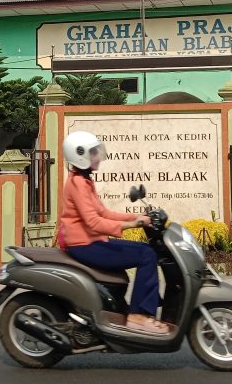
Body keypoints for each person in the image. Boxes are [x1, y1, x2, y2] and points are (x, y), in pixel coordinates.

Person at [57, 131, 168, 335]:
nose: (97, 156)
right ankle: (139, 316)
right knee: (147, 255)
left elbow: (104, 212)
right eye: (93, 153)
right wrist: (134, 224)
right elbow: (93, 222)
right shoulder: (78, 184)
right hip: (85, 246)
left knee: (146, 250)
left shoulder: (83, 180)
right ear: (80, 155)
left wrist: (138, 216)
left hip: (91, 242)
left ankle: (136, 310)